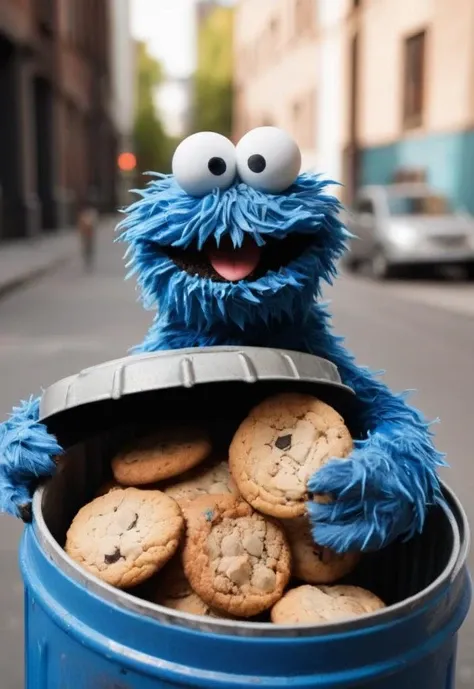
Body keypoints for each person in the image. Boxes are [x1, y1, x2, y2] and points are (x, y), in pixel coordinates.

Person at [77, 188, 99, 272]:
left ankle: (88, 257)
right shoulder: (83, 213)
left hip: (90, 233)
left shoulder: (92, 212)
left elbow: (94, 223)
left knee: (89, 246)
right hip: (85, 233)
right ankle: (87, 257)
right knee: (86, 246)